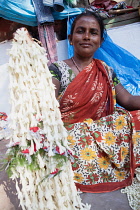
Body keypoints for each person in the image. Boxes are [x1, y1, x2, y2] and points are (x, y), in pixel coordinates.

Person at [49, 10, 140, 193]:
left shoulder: (105, 70)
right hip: (72, 135)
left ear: (100, 41)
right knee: (70, 139)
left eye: (93, 32)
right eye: (80, 31)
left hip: (103, 132)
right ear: (71, 38)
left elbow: (128, 100)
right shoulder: (56, 69)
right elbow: (48, 104)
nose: (87, 37)